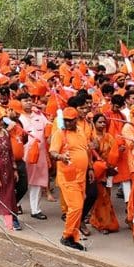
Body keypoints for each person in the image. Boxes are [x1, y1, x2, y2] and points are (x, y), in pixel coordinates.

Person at [50, 107, 89, 251]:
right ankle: (66, 236)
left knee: (78, 208)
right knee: (76, 207)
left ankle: (74, 235)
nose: (67, 123)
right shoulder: (59, 134)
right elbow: (53, 152)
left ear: (76, 120)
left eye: (70, 121)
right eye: (65, 121)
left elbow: (85, 150)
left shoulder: (80, 131)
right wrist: (61, 157)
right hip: (68, 177)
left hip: (81, 177)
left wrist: (90, 168)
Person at [18, 93, 49, 220]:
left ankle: (35, 209)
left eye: (30, 100)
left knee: (36, 182)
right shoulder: (17, 118)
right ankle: (16, 204)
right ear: (19, 102)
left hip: (39, 155)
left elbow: (49, 127)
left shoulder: (39, 115)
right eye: (25, 100)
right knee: (20, 182)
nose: (28, 103)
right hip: (22, 154)